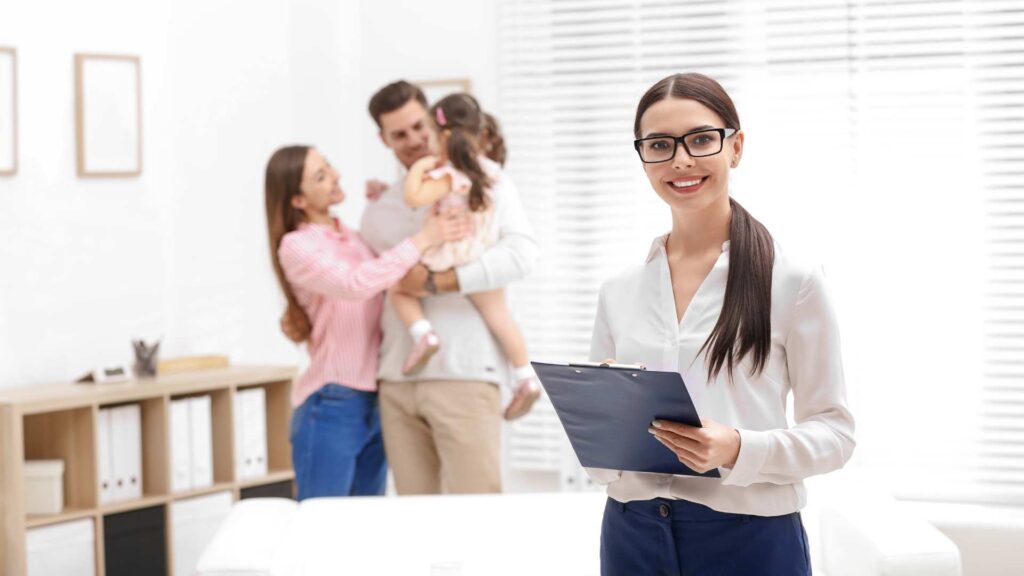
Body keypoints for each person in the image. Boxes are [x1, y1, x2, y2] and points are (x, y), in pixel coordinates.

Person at [588, 73, 856, 574]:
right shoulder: (619, 290)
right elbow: (601, 460)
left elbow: (836, 436)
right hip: (631, 533)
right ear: (642, 157)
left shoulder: (791, 280)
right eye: (660, 145)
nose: (681, 160)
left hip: (749, 539)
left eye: (701, 139)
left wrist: (738, 447)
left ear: (735, 147)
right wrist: (602, 414)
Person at [282, 81, 540, 495]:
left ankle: (525, 376)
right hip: (395, 382)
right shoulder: (378, 209)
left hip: (464, 375)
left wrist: (440, 281)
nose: (415, 141)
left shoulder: (483, 177)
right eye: (399, 134)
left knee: (479, 514)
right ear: (384, 139)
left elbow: (523, 256)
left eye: (420, 127)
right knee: (412, 520)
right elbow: (363, 280)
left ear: (436, 122)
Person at [265, 145, 470, 500]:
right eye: (320, 176)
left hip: (376, 398)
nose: (335, 176)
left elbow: (390, 267)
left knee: (364, 525)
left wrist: (386, 199)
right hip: (331, 401)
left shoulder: (353, 237)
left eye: (329, 165)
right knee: (323, 526)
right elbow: (355, 284)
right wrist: (426, 238)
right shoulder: (296, 246)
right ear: (298, 200)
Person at [387, 94, 541, 420]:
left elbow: (414, 197)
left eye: (425, 133)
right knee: (500, 316)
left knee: (399, 287)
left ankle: (423, 334)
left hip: (452, 252)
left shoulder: (448, 175)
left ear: (443, 136)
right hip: (479, 253)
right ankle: (525, 376)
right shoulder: (492, 171)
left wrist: (419, 169)